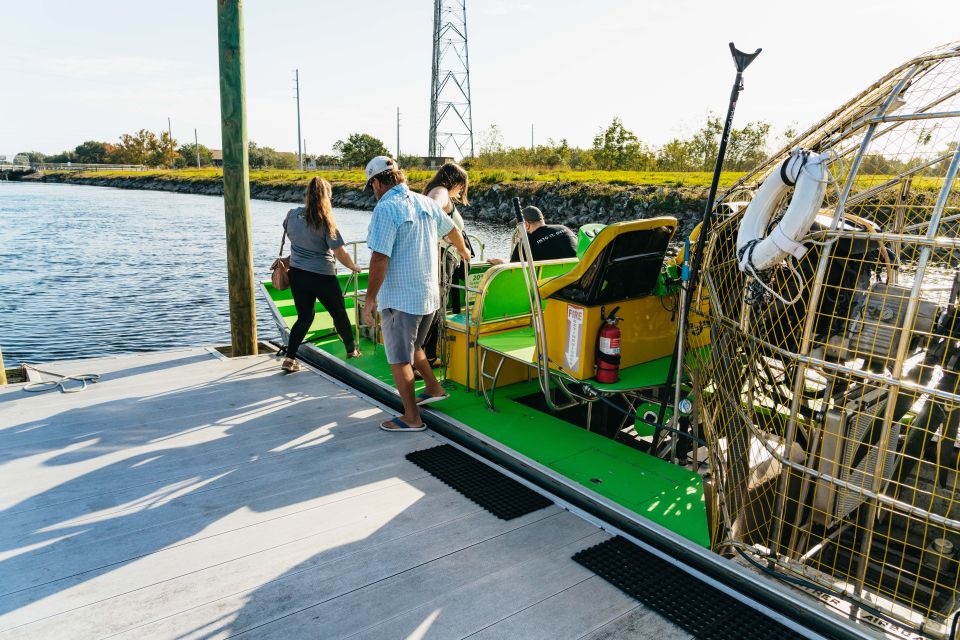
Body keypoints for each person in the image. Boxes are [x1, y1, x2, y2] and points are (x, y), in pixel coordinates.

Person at [361, 156, 470, 432]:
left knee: (398, 359)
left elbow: (379, 259)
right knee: (415, 347)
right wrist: (464, 252)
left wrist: (370, 299)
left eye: (371, 185)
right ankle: (433, 388)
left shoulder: (386, 208)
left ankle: (411, 418)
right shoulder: (425, 202)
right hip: (428, 296)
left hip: (401, 299)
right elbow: (453, 229)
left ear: (376, 182)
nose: (373, 191)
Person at [281, 177, 362, 373]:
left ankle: (289, 358)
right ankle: (352, 351)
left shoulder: (291, 215)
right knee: (339, 313)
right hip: (322, 276)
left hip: (298, 274)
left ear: (307, 194)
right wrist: (353, 266)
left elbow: (291, 236)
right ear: (327, 196)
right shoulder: (325, 221)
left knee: (304, 318)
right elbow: (340, 252)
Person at [422, 162, 473, 366]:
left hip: (441, 255)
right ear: (455, 182)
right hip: (443, 257)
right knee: (436, 306)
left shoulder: (435, 190)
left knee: (436, 305)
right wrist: (453, 240)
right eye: (462, 185)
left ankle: (426, 354)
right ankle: (428, 356)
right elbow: (432, 208)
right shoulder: (441, 192)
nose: (461, 190)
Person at [487, 205, 577, 265]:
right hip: (576, 279)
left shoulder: (526, 242)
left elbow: (513, 268)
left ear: (525, 225)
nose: (517, 230)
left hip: (548, 287)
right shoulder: (564, 229)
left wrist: (500, 262)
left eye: (518, 226)